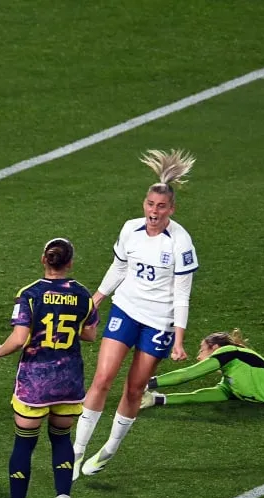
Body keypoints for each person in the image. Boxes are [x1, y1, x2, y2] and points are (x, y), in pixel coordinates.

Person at [72, 149, 199, 479]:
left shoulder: (180, 243)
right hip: (126, 309)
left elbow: (182, 293)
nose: (153, 212)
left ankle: (109, 449)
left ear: (171, 209)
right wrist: (97, 298)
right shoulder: (131, 229)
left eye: (161, 207)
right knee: (102, 379)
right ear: (144, 203)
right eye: (150, 205)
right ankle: (76, 453)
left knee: (133, 389)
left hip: (158, 322)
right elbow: (120, 266)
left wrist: (179, 340)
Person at [0, 238, 99, 498]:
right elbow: (89, 334)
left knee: (24, 444)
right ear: (70, 263)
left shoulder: (30, 294)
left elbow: (19, 338)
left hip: (35, 383)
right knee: (61, 439)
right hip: (69, 381)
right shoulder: (83, 295)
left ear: (43, 260)